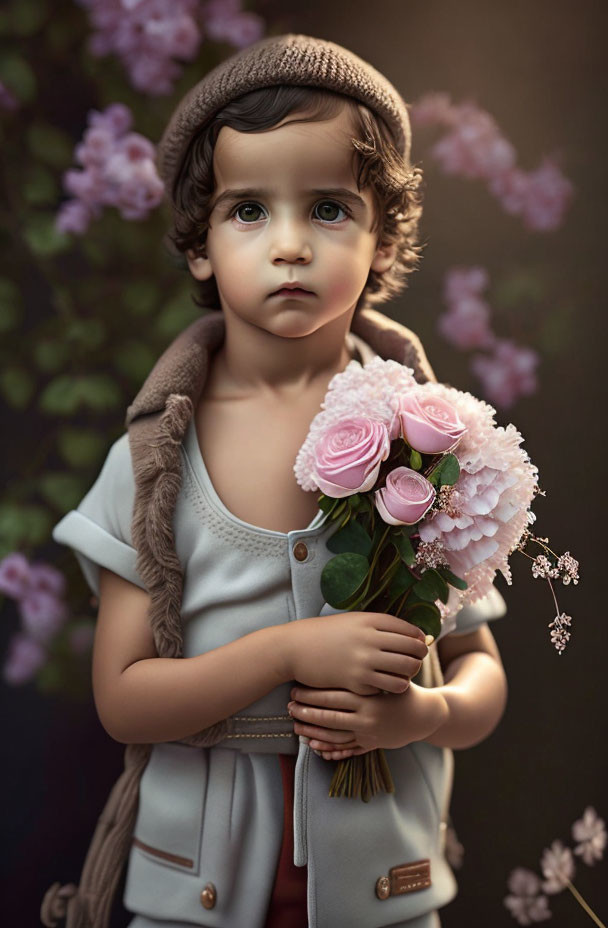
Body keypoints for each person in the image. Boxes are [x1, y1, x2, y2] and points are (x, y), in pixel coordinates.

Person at [46, 34, 508, 928]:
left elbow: (480, 671)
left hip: (387, 888)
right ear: (199, 246)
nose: (290, 245)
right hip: (198, 891)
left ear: (382, 239)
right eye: (249, 210)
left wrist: (423, 713)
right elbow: (123, 699)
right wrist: (289, 656)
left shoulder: (436, 441)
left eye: (330, 208)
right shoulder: (152, 462)